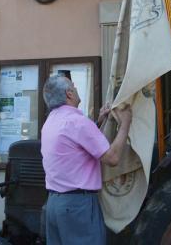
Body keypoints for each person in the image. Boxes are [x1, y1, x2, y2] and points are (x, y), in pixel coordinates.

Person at [41, 74, 132, 245]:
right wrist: (126, 123)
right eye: (73, 86)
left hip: (54, 203)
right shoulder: (78, 122)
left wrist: (98, 123)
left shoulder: (50, 122)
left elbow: (76, 147)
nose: (76, 89)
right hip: (77, 205)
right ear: (69, 94)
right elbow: (112, 158)